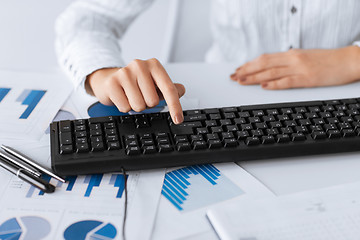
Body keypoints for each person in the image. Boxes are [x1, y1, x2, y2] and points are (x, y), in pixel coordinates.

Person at [55, 0, 360, 125]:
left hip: (348, 101)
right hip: (224, 106)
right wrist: (101, 73)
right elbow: (86, 19)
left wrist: (352, 59)